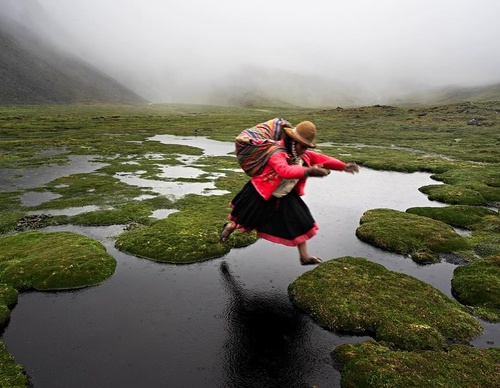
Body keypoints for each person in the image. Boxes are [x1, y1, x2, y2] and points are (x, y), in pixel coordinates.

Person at [220, 119, 359, 265]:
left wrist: (343, 166)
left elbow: (322, 159)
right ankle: (230, 227)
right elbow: (284, 170)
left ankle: (304, 257)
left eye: (306, 147)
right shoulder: (276, 152)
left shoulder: (302, 155)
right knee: (247, 219)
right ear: (293, 141)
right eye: (302, 146)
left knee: (300, 220)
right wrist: (308, 171)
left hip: (285, 194)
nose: (304, 150)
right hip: (261, 193)